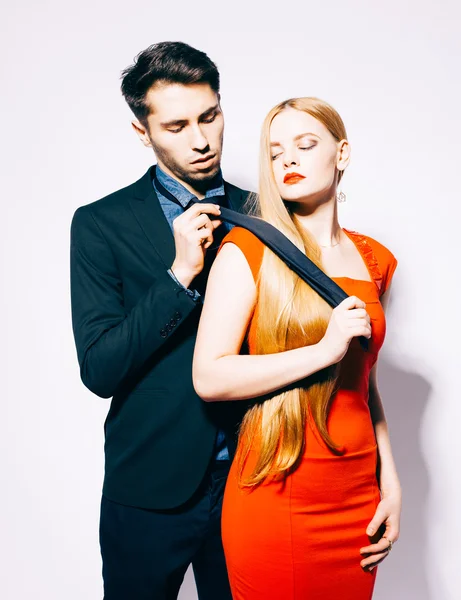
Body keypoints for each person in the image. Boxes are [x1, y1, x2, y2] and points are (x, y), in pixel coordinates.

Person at [193, 97, 402, 599]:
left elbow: (364, 382)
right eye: (275, 151)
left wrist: (390, 485)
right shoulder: (246, 250)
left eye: (306, 145)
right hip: (278, 491)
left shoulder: (375, 259)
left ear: (342, 153)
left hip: (355, 499)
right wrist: (323, 350)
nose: (288, 159)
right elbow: (209, 377)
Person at [70, 41, 251, 600]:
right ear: (142, 132)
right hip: (149, 487)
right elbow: (100, 369)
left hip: (255, 483)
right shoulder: (101, 224)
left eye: (209, 116)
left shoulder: (265, 213)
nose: (200, 140)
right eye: (176, 126)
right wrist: (178, 276)